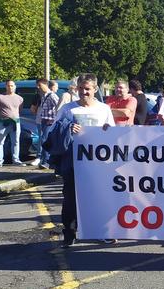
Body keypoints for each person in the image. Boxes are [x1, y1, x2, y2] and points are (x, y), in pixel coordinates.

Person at [52, 74, 115, 247]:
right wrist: (68, 128)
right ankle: (70, 232)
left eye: (87, 89)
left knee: (100, 196)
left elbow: (112, 134)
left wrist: (107, 130)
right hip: (73, 162)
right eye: (81, 88)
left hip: (98, 162)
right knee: (71, 198)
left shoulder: (104, 109)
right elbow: (54, 131)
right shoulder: (68, 109)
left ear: (95, 89)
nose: (84, 92)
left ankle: (102, 231)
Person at [0, 80, 25, 166]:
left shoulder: (20, 98)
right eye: (8, 86)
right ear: (6, 86)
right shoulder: (0, 97)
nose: (10, 87)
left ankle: (16, 160)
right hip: (2, 122)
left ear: (15, 86)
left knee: (16, 142)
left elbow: (19, 110)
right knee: (0, 142)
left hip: (15, 122)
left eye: (12, 86)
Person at [33, 79, 60, 169]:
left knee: (45, 140)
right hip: (44, 121)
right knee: (44, 140)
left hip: (49, 122)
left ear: (46, 85)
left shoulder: (52, 95)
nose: (38, 87)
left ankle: (47, 162)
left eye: (39, 85)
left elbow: (59, 108)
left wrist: (53, 119)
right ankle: (45, 161)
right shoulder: (44, 96)